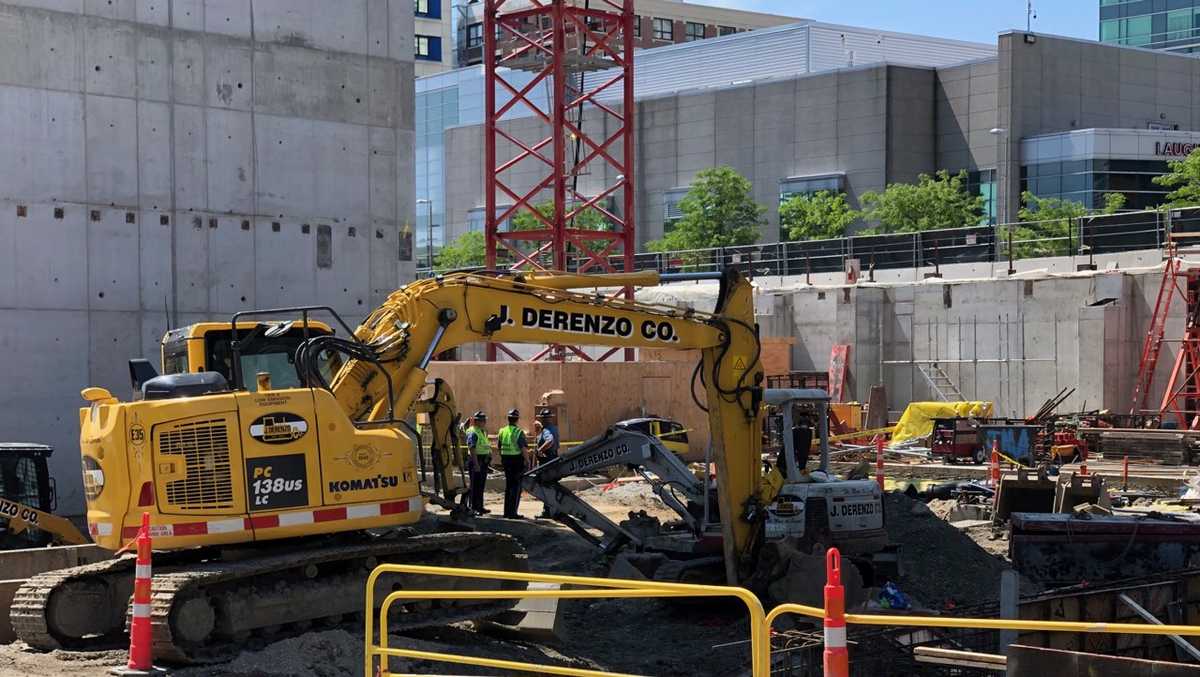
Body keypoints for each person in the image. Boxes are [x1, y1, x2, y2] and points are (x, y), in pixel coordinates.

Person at [496, 409, 529, 519]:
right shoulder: (519, 432)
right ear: (517, 419)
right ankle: (512, 513)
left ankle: (506, 512)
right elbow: (523, 448)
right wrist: (528, 461)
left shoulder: (502, 431)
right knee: (516, 487)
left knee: (508, 487)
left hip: (506, 461)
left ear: (508, 419)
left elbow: (499, 447)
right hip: (516, 462)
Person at [464, 411, 492, 516]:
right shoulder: (473, 432)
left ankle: (479, 506)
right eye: (483, 420)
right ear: (477, 421)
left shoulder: (481, 431)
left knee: (481, 485)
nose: (485, 422)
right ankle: (473, 507)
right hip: (476, 460)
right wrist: (476, 464)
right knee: (475, 485)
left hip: (483, 461)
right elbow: (472, 448)